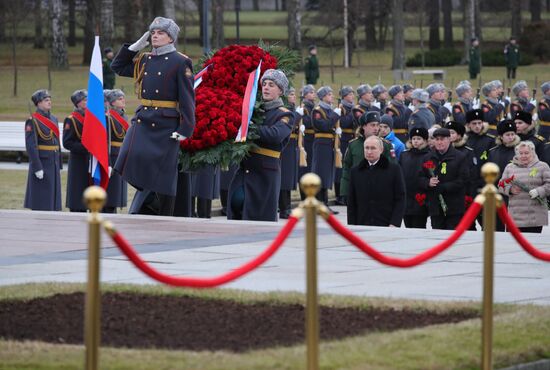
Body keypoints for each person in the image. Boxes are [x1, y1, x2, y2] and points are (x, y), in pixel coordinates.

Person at [110, 16, 195, 216]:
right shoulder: (145, 59)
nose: (156, 36)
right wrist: (133, 48)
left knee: (164, 174)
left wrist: (185, 129)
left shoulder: (180, 62)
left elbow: (188, 99)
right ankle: (147, 196)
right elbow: (118, 67)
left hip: (166, 123)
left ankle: (161, 209)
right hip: (144, 119)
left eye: (161, 33)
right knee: (128, 156)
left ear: (171, 38)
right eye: (153, 33)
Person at [227, 69, 294, 221]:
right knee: (236, 203)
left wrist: (250, 127)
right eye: (264, 84)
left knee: (258, 215)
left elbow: (275, 135)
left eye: (271, 85)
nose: (266, 87)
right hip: (246, 167)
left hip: (265, 173)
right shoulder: (254, 110)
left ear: (281, 91)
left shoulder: (285, 114)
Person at [347, 136, 405, 227]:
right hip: (362, 223)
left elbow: (400, 198)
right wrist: (351, 225)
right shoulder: (355, 171)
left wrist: (394, 223)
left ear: (381, 150)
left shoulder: (394, 169)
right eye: (367, 148)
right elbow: (351, 202)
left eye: (373, 148)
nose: (369, 152)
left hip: (386, 223)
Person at [419, 128, 469, 230]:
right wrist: (428, 182)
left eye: (442, 139)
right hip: (435, 207)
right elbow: (420, 177)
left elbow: (463, 180)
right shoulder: (428, 157)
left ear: (449, 140)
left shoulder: (460, 157)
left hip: (454, 207)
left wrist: (444, 187)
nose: (439, 142)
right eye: (436, 139)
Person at [340, 111, 396, 200]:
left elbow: (393, 168)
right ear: (364, 126)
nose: (376, 128)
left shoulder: (386, 145)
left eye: (378, 125)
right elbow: (347, 168)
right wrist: (345, 192)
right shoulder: (353, 145)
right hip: (358, 190)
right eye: (372, 125)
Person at [499, 141, 550, 233]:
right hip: (515, 217)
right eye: (520, 153)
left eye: (526, 153)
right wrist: (510, 189)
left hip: (534, 217)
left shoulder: (543, 166)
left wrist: (539, 191)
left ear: (533, 152)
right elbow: (501, 185)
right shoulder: (510, 167)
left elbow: (549, 184)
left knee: (531, 245)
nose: (523, 156)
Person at [24, 89, 62, 211]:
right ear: (38, 103)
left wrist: (59, 162)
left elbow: (56, 142)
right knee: (42, 197)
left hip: (53, 161)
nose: (49, 102)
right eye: (46, 100)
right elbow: (31, 146)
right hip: (43, 162)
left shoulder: (54, 118)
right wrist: (37, 167)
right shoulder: (32, 120)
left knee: (52, 197)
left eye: (50, 99)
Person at [310, 86, 339, 212]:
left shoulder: (328, 110)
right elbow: (324, 125)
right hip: (321, 144)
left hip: (328, 144)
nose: (331, 96)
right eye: (329, 94)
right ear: (322, 97)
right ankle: (320, 203)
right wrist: (335, 116)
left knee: (326, 174)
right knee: (321, 173)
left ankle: (324, 203)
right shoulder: (318, 111)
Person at [488, 119, 520, 231]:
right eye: (507, 134)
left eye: (512, 134)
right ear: (501, 136)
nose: (511, 137)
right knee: (498, 228)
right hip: (498, 195)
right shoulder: (493, 152)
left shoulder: (521, 151)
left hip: (516, 195)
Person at [63, 89, 89, 212]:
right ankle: (76, 208)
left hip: (89, 158)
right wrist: (85, 148)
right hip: (78, 159)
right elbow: (67, 142)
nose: (87, 102)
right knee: (77, 186)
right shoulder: (71, 119)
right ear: (78, 103)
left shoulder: (91, 118)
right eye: (85, 100)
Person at [399, 127, 430, 228]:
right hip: (406, 198)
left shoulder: (429, 155)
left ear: (425, 140)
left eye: (419, 139)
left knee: (419, 226)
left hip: (420, 199)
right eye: (414, 138)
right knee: (408, 226)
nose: (416, 141)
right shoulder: (404, 155)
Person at [104, 89, 129, 213]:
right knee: (111, 190)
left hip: (121, 154)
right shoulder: (107, 118)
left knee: (119, 190)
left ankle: (113, 211)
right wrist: (107, 162)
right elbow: (105, 142)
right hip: (112, 155)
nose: (123, 100)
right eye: (120, 99)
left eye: (123, 98)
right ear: (112, 103)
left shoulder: (124, 116)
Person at [279, 87, 300, 218]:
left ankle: (287, 206)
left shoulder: (292, 108)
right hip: (286, 146)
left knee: (289, 178)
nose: (294, 97)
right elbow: (290, 124)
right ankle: (283, 208)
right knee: (285, 178)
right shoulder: (285, 110)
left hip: (292, 146)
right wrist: (298, 116)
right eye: (291, 94)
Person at [465, 109, 495, 197]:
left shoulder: (490, 140)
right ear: (468, 125)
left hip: (484, 180)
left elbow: (492, 161)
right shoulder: (465, 140)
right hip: (468, 181)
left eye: (479, 123)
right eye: (474, 123)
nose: (477, 126)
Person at [297, 84, 316, 200]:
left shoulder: (312, 107)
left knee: (311, 169)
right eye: (311, 92)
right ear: (305, 94)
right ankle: (304, 196)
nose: (314, 94)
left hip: (312, 139)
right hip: (306, 140)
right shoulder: (304, 107)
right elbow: (308, 122)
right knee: (305, 169)